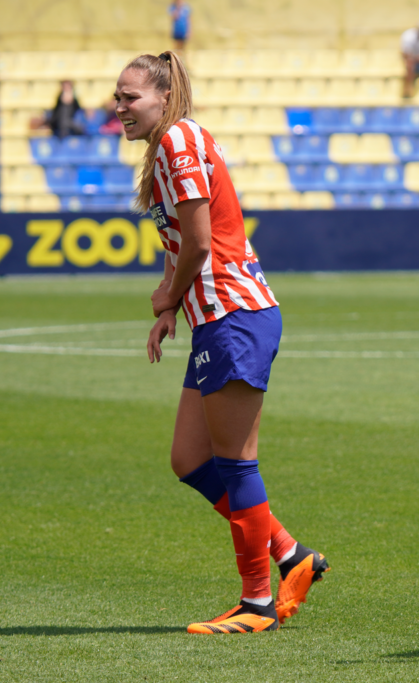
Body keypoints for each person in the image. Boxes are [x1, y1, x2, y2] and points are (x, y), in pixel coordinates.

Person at [118, 51, 329, 633]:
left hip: (234, 314)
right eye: (118, 97)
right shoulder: (167, 147)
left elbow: (201, 244)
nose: (120, 107)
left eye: (130, 97)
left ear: (163, 97)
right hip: (217, 318)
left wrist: (169, 300)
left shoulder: (180, 141)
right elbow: (177, 244)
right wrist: (169, 306)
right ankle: (292, 555)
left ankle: (258, 602)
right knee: (190, 459)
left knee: (236, 461)